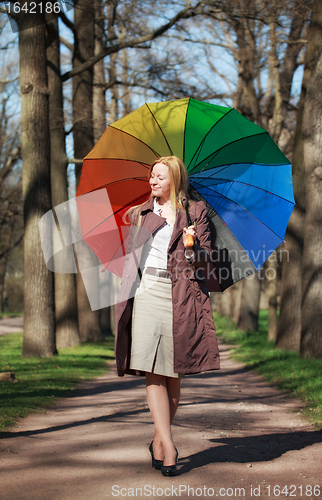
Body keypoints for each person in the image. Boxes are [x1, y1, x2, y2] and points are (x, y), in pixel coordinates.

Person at [115, 156, 220, 477]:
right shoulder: (141, 213)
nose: (152, 182)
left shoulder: (197, 212)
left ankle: (158, 440)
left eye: (159, 177)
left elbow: (209, 265)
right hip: (147, 291)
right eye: (151, 177)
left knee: (174, 372)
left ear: (174, 179)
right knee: (151, 368)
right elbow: (130, 256)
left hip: (182, 295)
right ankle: (169, 445)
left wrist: (192, 247)